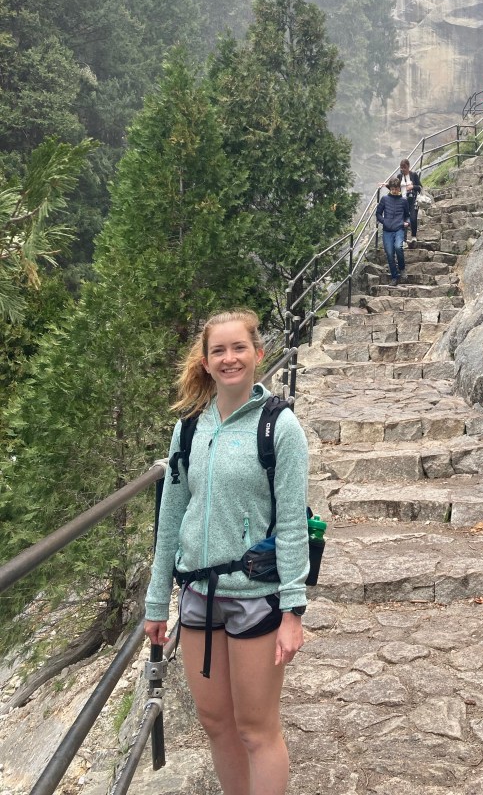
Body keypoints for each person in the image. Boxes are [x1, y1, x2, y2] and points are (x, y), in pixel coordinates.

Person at [144, 309, 310, 795]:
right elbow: (171, 517)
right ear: (205, 360)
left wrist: (293, 610)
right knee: (216, 722)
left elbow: (293, 521)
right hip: (197, 591)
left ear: (258, 354)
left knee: (256, 729)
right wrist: (158, 601)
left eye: (239, 348)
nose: (229, 358)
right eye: (219, 350)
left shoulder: (279, 427)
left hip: (256, 593)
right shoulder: (189, 429)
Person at [376, 177, 410, 285]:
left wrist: (407, 222)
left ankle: (402, 268)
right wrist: (384, 221)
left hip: (399, 228)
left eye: (396, 189)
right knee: (390, 253)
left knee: (398, 247)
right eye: (392, 189)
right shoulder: (384, 199)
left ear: (399, 188)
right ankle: (394, 277)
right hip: (387, 230)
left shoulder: (404, 201)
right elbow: (378, 214)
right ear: (390, 188)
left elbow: (407, 216)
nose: (394, 191)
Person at [397, 158, 422, 248]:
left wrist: (412, 187)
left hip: (412, 200)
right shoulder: (399, 177)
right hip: (402, 201)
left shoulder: (414, 175)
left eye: (404, 167)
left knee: (413, 218)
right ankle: (403, 240)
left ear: (408, 167)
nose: (403, 169)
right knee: (403, 220)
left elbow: (420, 187)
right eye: (401, 168)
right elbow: (394, 186)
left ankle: (414, 236)